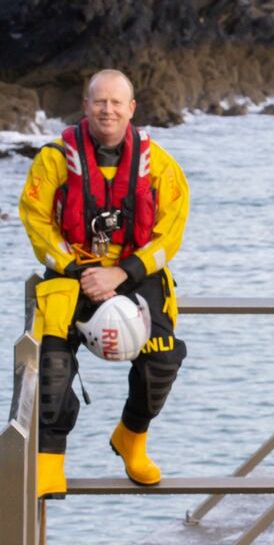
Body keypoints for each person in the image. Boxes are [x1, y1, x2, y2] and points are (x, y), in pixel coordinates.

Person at [19, 69, 190, 497]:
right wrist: (77, 270)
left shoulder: (160, 165)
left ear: (132, 109)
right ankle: (49, 459)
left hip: (134, 271)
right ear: (86, 105)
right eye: (100, 102)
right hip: (73, 272)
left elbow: (171, 231)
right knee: (52, 367)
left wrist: (124, 272)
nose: (108, 110)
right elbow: (35, 219)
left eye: (117, 103)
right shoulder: (55, 158)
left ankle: (131, 437)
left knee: (163, 358)